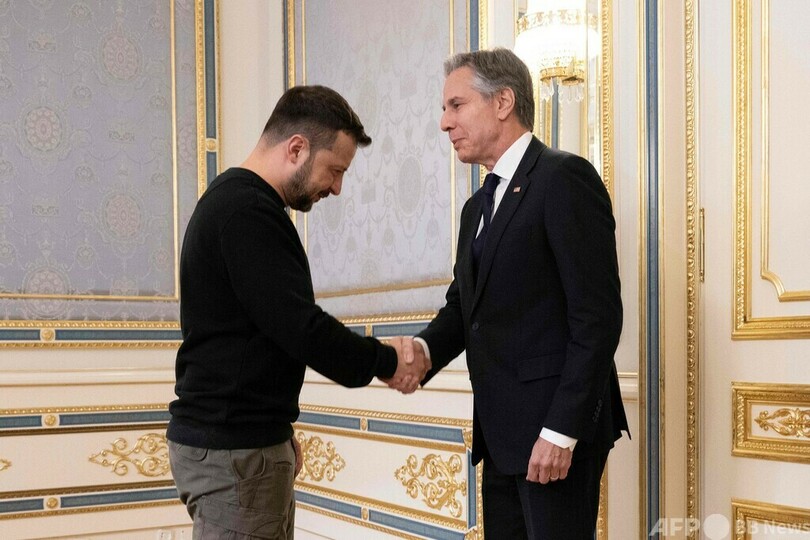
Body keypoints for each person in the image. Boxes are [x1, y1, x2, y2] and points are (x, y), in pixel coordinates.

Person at [167, 85, 429, 540]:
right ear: (296, 148)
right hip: (235, 455)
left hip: (242, 445)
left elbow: (253, 335)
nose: (337, 187)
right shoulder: (246, 212)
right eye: (335, 170)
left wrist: (275, 432)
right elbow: (301, 328)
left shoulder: (239, 204)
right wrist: (388, 361)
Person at [407, 48, 629, 539]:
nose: (445, 123)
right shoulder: (476, 207)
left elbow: (597, 319)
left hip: (554, 436)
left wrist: (561, 431)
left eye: (456, 105)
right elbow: (464, 308)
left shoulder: (563, 178)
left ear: (503, 101)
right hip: (501, 437)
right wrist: (421, 352)